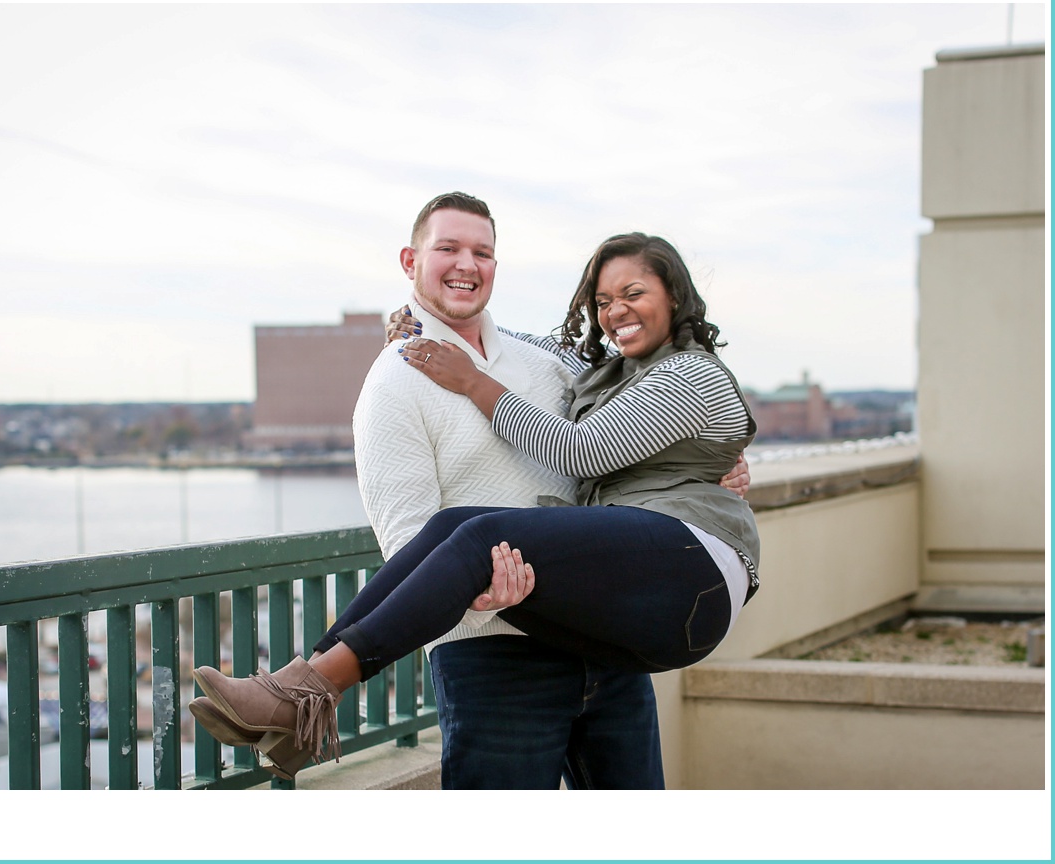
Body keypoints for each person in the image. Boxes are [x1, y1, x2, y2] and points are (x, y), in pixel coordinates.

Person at [191, 210, 759, 784]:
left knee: (481, 534)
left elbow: (581, 452)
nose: (616, 311)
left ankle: (313, 690)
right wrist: (416, 326)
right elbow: (413, 531)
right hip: (520, 641)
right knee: (458, 526)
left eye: (634, 292)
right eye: (604, 300)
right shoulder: (587, 368)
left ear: (676, 295)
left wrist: (471, 381)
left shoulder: (690, 373)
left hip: (676, 578)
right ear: (411, 262)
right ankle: (300, 692)